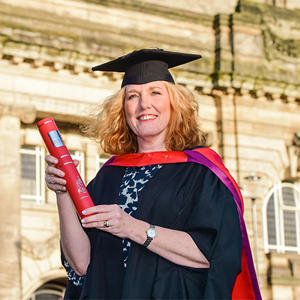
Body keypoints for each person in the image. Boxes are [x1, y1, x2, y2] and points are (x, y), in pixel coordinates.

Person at [45, 49, 261, 299]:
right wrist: (63, 193)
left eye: (155, 92)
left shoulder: (202, 173)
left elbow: (213, 254)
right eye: (132, 96)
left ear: (174, 104)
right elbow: (81, 266)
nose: (143, 104)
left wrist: (131, 227)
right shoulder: (109, 176)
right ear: (122, 110)